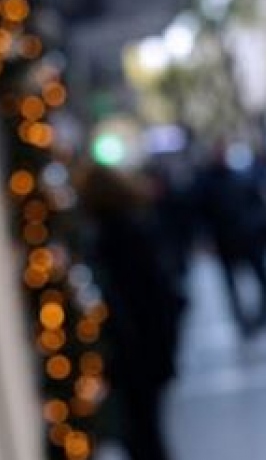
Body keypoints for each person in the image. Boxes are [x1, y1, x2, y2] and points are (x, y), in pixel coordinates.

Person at [80, 163, 183, 460]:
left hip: (136, 351)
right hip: (147, 348)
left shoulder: (114, 237)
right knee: (146, 431)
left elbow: (142, 295)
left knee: (142, 433)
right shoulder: (133, 226)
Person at [197, 138, 266, 339]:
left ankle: (262, 316)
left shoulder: (239, 176)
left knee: (261, 278)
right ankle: (242, 321)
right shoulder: (206, 183)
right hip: (225, 239)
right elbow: (201, 213)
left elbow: (255, 201)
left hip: (247, 236)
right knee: (232, 285)